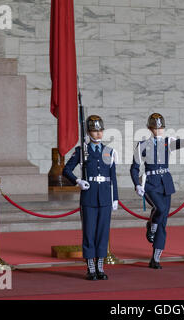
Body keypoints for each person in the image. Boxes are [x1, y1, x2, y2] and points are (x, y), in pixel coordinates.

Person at [130, 113, 184, 269]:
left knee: (163, 222)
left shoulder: (167, 142)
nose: (158, 131)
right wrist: (137, 184)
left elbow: (177, 143)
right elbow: (134, 167)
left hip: (165, 183)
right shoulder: (142, 145)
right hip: (150, 184)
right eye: (155, 128)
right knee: (159, 209)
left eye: (161, 128)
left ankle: (156, 257)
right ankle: (151, 224)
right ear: (149, 128)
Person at [63, 115, 119, 280]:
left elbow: (113, 177)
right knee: (89, 232)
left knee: (103, 232)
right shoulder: (82, 151)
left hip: (105, 198)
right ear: (88, 132)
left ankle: (100, 266)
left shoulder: (109, 151)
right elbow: (66, 170)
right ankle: (90, 267)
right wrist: (78, 181)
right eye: (94, 131)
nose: (98, 134)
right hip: (89, 197)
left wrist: (115, 197)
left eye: (100, 130)